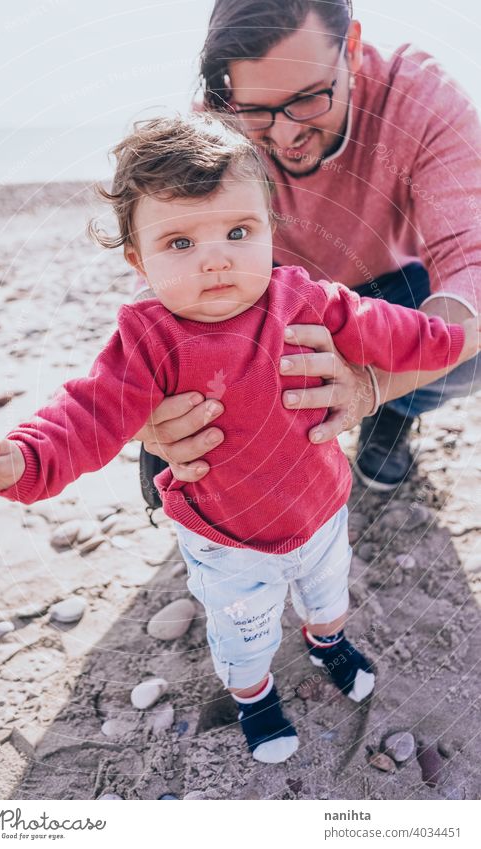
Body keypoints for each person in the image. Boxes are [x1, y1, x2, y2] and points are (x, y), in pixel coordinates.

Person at [0, 115, 479, 764]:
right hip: (229, 542)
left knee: (327, 592)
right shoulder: (148, 338)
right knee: (243, 635)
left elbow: (380, 327)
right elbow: (85, 412)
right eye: (179, 241)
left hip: (319, 510)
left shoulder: (298, 297)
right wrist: (26, 457)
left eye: (237, 231)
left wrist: (451, 336)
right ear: (137, 261)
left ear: (268, 230)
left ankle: (326, 641)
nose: (215, 256)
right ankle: (255, 697)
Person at [135, 0, 481, 499]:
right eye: (256, 111)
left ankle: (394, 413)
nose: (286, 134)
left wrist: (372, 387)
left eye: (309, 98)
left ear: (353, 50)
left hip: (395, 293)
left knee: (470, 339)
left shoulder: (421, 100)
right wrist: (152, 404)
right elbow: (164, 271)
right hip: (266, 291)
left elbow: (470, 262)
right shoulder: (215, 127)